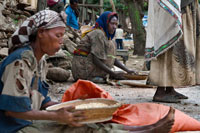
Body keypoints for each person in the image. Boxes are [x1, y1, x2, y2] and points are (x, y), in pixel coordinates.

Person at [0, 9, 175, 133]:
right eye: (58, 36)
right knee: (81, 128)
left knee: (83, 120)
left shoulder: (40, 61)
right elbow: (12, 111)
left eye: (63, 36)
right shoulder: (20, 61)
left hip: (25, 121)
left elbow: (42, 102)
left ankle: (143, 129)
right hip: (13, 128)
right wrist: (57, 117)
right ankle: (143, 131)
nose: (62, 41)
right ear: (41, 33)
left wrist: (75, 107)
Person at [145, 0, 200, 103]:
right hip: (174, 8)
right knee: (170, 40)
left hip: (185, 5)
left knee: (174, 45)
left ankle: (169, 89)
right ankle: (160, 92)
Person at [72, 11, 136, 82]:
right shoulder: (98, 34)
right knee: (114, 76)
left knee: (112, 43)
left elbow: (112, 58)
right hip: (83, 71)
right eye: (112, 23)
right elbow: (96, 59)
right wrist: (113, 73)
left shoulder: (107, 37)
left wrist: (127, 70)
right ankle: (92, 77)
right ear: (105, 22)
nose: (114, 27)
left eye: (116, 24)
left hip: (89, 68)